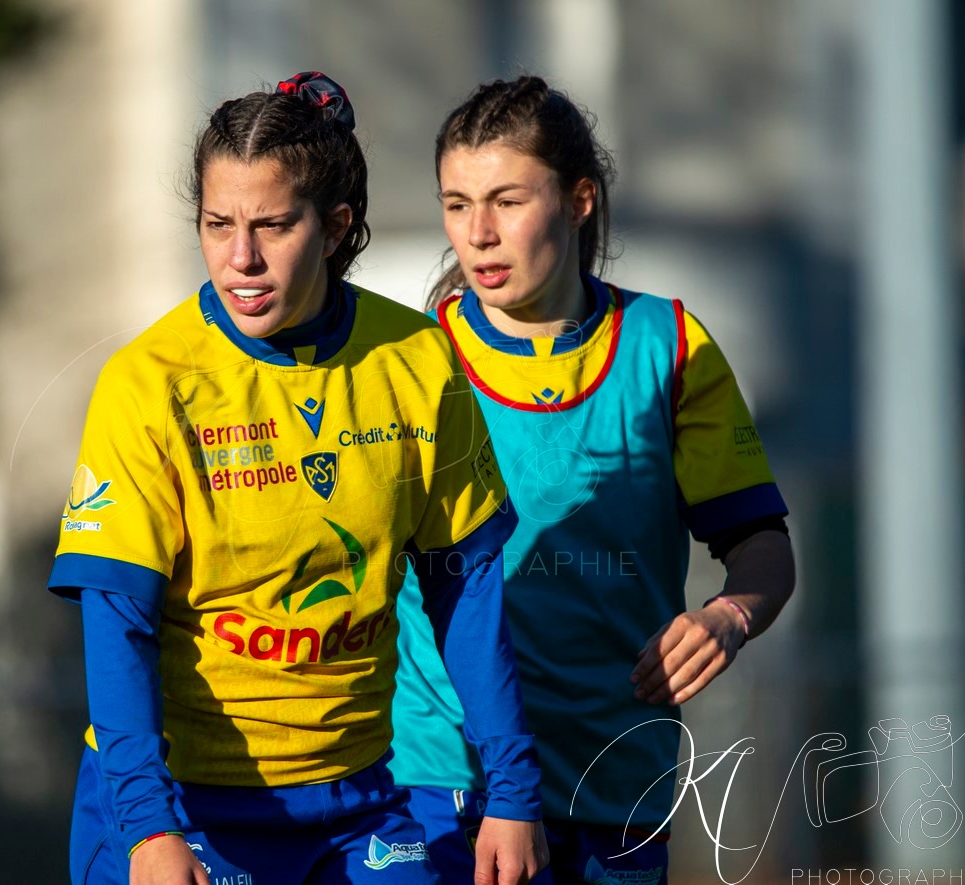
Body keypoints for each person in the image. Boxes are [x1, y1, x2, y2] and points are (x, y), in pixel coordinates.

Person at [47, 72, 550, 885]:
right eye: (217, 225)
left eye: (273, 225)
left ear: (333, 226)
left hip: (361, 805)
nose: (240, 257)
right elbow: (116, 622)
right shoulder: (148, 382)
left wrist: (513, 791)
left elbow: (466, 585)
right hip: (179, 807)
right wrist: (146, 830)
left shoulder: (419, 361)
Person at [389, 75, 797, 885]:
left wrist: (726, 616)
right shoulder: (414, 360)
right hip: (447, 774)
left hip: (617, 772)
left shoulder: (667, 344)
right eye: (456, 203)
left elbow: (761, 548)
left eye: (506, 200)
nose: (478, 233)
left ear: (578, 199)